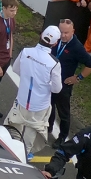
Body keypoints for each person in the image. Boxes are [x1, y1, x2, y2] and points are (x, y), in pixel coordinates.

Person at [5, 26, 64, 160]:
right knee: (31, 130)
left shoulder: (26, 51)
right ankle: (24, 155)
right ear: (55, 43)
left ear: (41, 35)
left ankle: (10, 147)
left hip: (22, 98)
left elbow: (15, 69)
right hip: (40, 105)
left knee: (15, 124)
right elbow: (57, 89)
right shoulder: (54, 63)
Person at [47, 19, 91, 146]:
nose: (63, 35)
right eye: (61, 32)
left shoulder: (76, 47)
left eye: (66, 33)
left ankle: (62, 136)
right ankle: (48, 127)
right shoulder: (56, 39)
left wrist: (78, 77)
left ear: (73, 31)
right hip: (49, 81)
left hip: (64, 84)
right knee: (49, 106)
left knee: (63, 112)